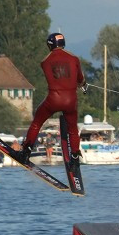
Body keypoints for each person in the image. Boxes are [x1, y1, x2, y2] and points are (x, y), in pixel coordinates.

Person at [20, 32, 86, 167]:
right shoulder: (74, 58)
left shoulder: (45, 61)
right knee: (73, 129)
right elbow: (80, 79)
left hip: (54, 99)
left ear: (49, 45)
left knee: (37, 123)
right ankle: (74, 157)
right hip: (70, 101)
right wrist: (83, 84)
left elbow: (53, 70)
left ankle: (26, 151)